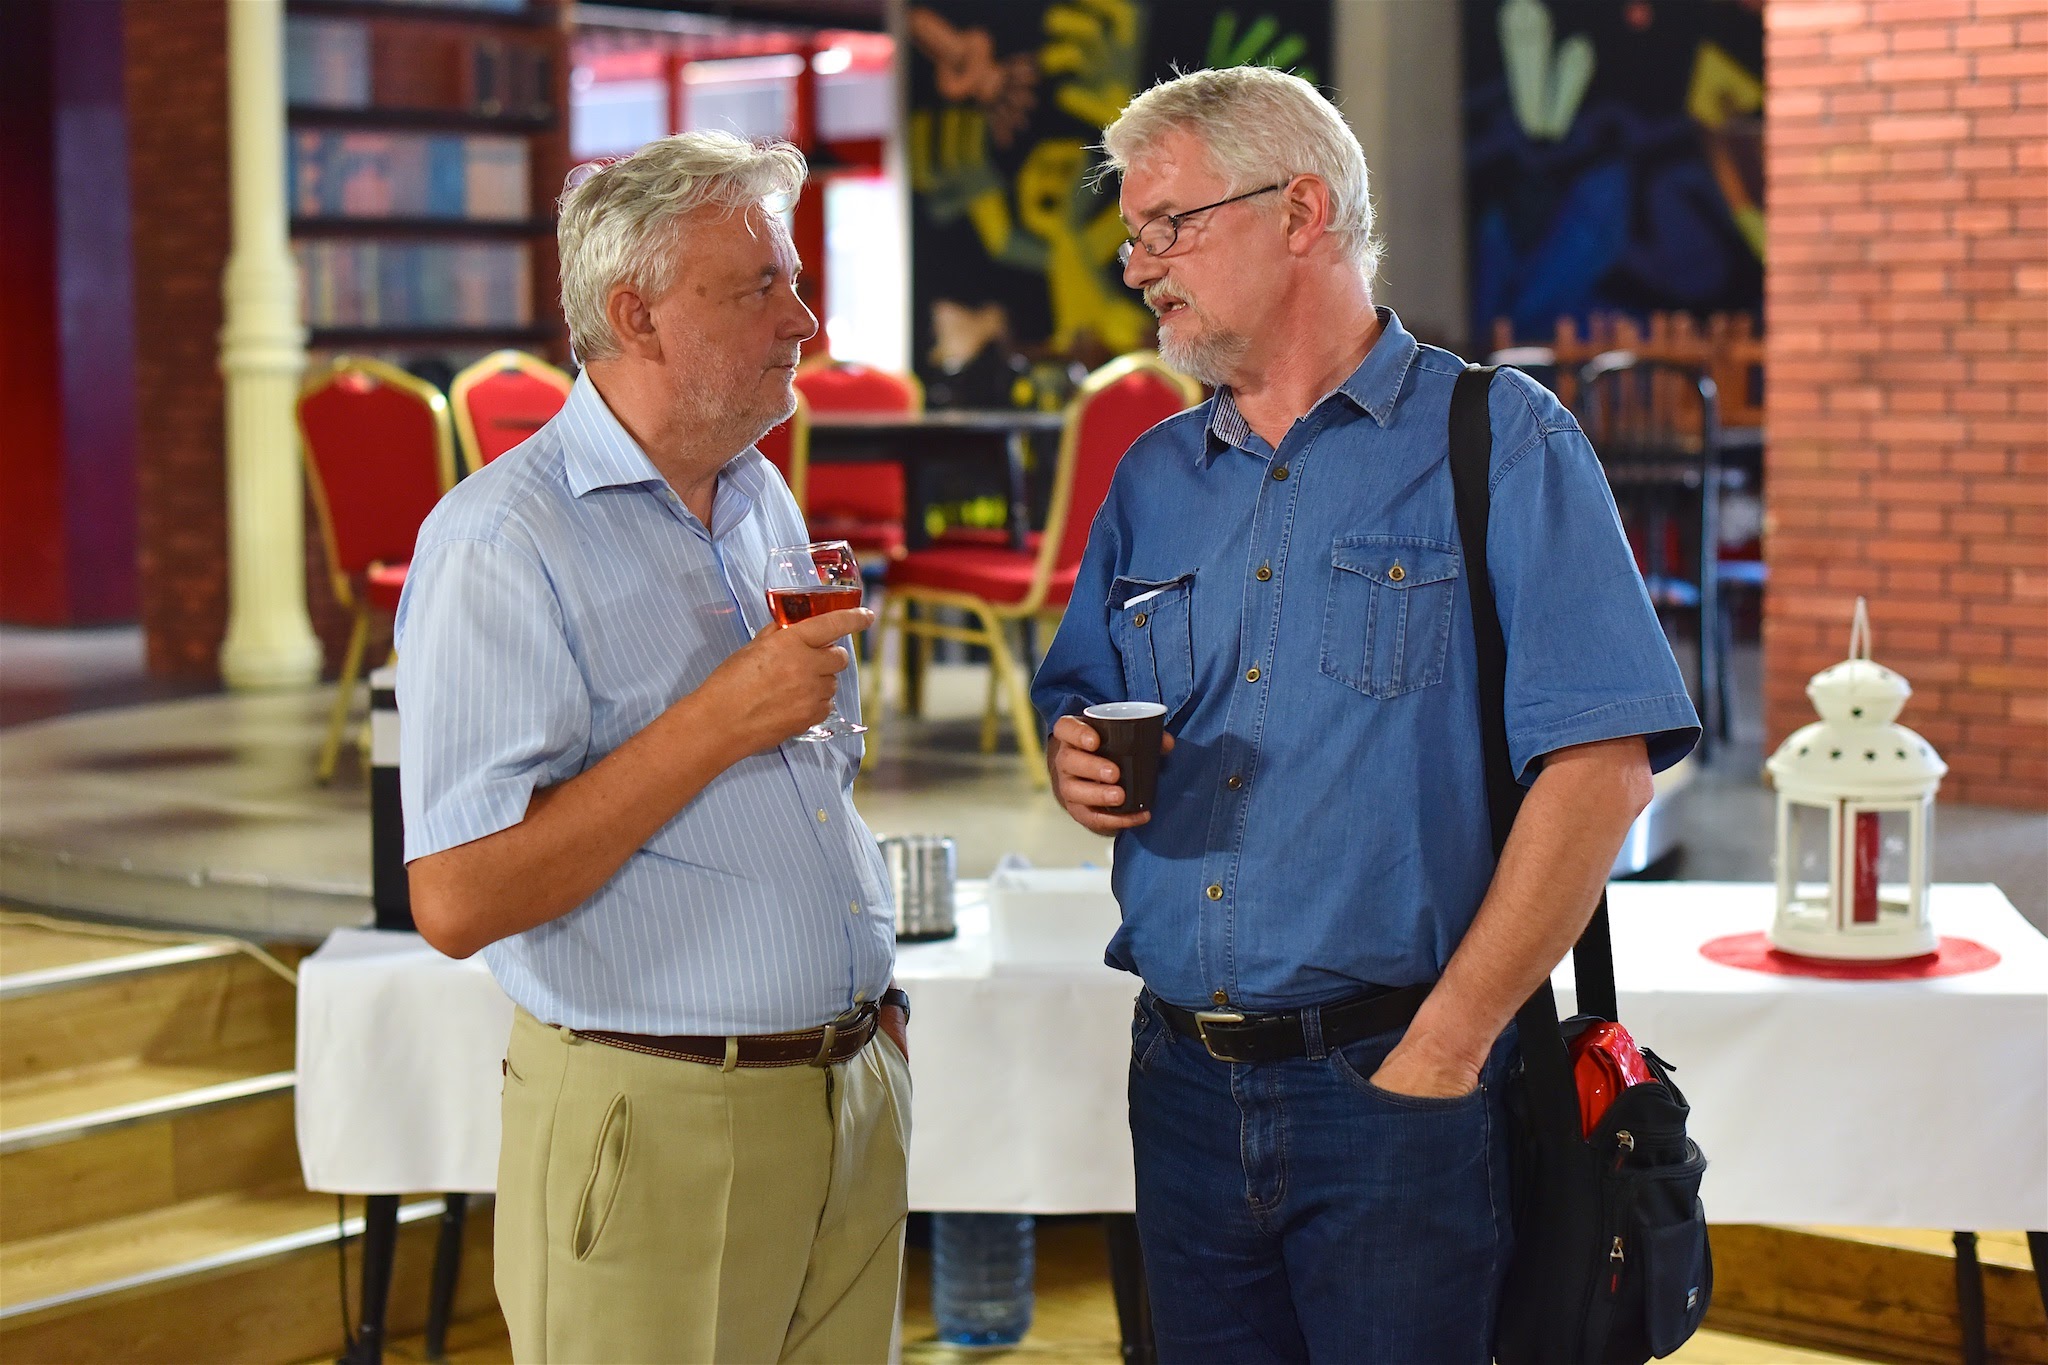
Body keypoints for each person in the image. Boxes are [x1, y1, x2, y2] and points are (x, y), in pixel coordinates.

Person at [1031, 68, 1700, 1362]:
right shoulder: (1153, 477)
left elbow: (1602, 772)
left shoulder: (1498, 440)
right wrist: (1075, 762)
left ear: (1300, 211)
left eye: (1169, 225)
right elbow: (1079, 696)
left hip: (1399, 1092)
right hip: (1180, 1084)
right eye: (1132, 236)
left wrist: (1446, 1049)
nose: (1138, 266)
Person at [396, 131, 910, 1365]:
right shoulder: (501, 542)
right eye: (760, 288)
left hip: (842, 1094)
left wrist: (867, 1019)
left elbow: (807, 774)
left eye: (795, 282)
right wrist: (716, 720)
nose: (803, 320)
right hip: (662, 1117)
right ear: (636, 314)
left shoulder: (758, 493)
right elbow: (456, 899)